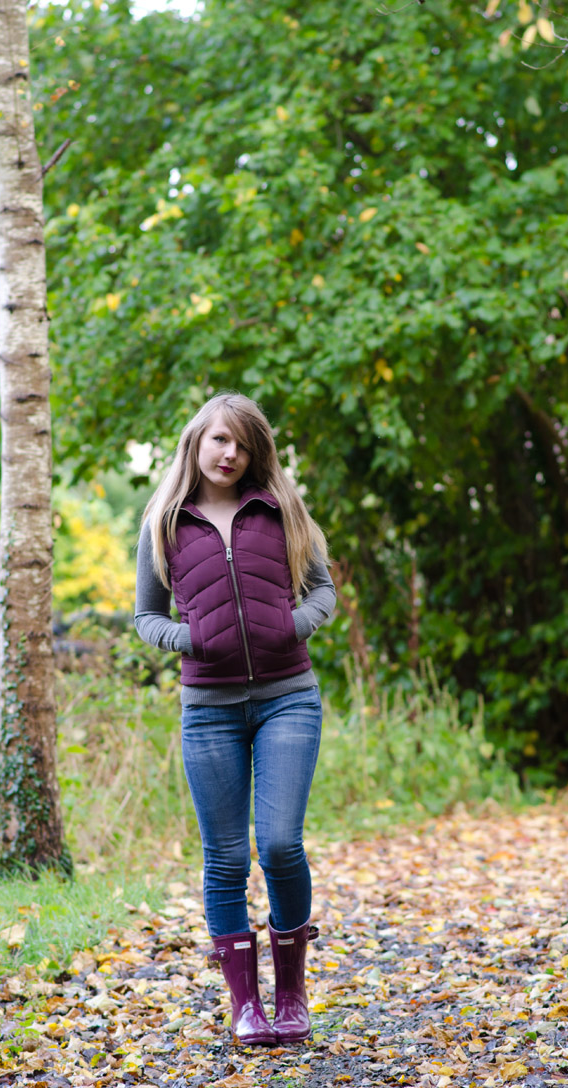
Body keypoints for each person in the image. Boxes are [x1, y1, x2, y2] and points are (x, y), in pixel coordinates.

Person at [134, 391, 336, 1045]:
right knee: (224, 859)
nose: (231, 453)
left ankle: (292, 994)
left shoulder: (282, 511)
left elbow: (323, 589)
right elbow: (146, 616)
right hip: (209, 710)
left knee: (279, 843)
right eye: (220, 440)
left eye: (243, 444)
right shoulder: (164, 522)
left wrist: (291, 626)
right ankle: (245, 1005)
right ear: (196, 442)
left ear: (257, 453)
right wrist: (186, 640)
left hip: (288, 697)